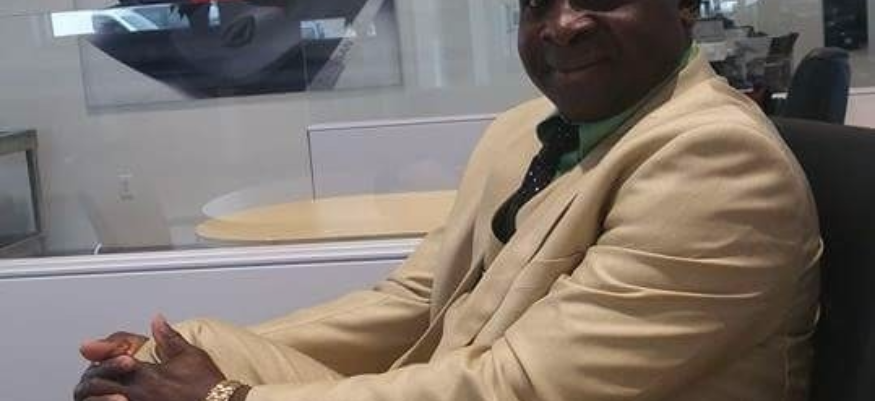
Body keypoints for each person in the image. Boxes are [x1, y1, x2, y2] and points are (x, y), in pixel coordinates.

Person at [74, 0, 822, 400]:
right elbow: (414, 299)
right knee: (166, 355)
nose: (563, 24)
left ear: (684, 5)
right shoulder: (526, 128)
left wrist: (226, 398)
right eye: (537, 3)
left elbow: (521, 388)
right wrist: (174, 361)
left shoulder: (715, 161)